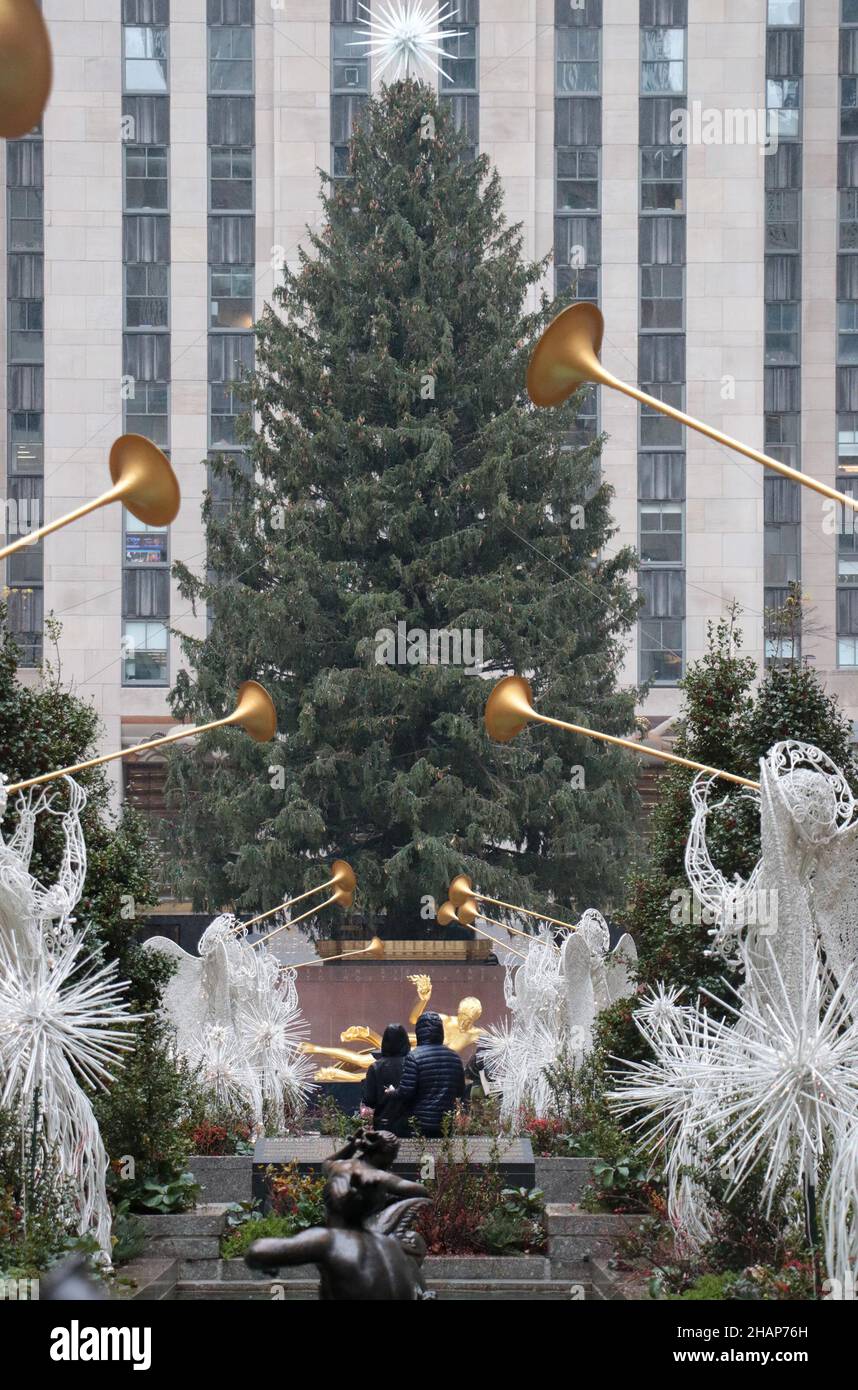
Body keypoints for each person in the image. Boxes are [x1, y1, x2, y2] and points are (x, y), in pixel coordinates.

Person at [394, 1011, 466, 1137]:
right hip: (445, 1122)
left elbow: (406, 1092)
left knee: (421, 1155)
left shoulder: (414, 1056)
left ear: (419, 1032)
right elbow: (460, 1091)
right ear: (441, 1031)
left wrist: (393, 1092)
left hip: (420, 1122)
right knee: (443, 1155)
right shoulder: (454, 1057)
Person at [360, 1023, 411, 1137]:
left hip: (383, 1125)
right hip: (409, 1124)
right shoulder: (413, 1065)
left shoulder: (375, 1067)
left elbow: (369, 1100)